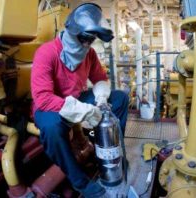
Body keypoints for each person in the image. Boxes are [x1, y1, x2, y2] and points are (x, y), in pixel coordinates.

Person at [31, 3, 128, 198]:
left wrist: (100, 100)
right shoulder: (47, 52)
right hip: (51, 104)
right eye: (84, 39)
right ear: (72, 31)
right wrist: (84, 111)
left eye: (90, 40)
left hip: (76, 99)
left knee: (120, 99)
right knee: (51, 128)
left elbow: (100, 78)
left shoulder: (89, 54)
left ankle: (108, 148)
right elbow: (42, 98)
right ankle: (80, 182)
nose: (86, 45)